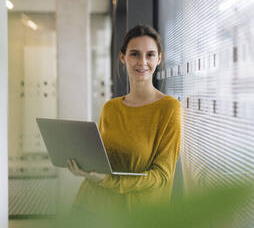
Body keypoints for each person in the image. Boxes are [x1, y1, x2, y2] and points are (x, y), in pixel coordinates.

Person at [67, 24, 182, 214]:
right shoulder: (111, 108)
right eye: (134, 54)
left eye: (150, 55)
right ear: (123, 57)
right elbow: (102, 160)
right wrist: (85, 167)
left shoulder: (169, 108)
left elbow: (162, 176)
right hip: (92, 205)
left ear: (159, 59)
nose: (142, 62)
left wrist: (106, 180)